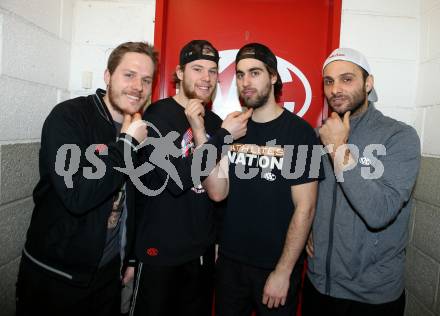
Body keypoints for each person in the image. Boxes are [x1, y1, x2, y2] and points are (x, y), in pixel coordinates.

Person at [15, 41, 157, 316]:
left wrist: (129, 256)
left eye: (146, 80)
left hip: (106, 275)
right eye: (129, 75)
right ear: (108, 76)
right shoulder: (69, 117)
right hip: (56, 277)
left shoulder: (140, 130)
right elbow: (77, 196)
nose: (138, 86)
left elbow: (133, 198)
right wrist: (126, 145)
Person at [129, 40, 252, 316]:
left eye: (212, 71)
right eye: (197, 69)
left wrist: (216, 241)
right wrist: (221, 138)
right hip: (160, 253)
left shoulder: (214, 121)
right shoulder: (157, 115)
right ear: (180, 73)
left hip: (199, 254)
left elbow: (218, 193)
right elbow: (176, 180)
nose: (206, 78)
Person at [203, 42, 322, 316]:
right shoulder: (232, 129)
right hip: (230, 265)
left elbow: (306, 207)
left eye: (255, 72)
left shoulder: (301, 133)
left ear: (273, 76)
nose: (246, 81)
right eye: (241, 74)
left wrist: (283, 271)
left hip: (276, 266)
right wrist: (220, 139)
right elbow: (218, 192)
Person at [302, 48, 421, 316]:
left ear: (368, 83)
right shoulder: (316, 135)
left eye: (347, 79)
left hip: (371, 295)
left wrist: (337, 149)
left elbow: (379, 212)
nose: (335, 89)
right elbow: (309, 196)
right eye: (329, 81)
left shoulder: (399, 136)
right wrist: (311, 227)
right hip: (318, 284)